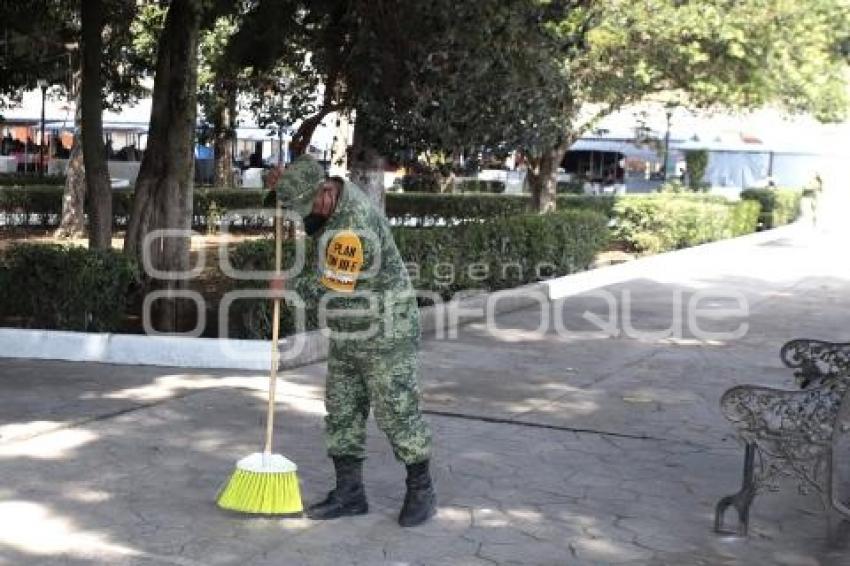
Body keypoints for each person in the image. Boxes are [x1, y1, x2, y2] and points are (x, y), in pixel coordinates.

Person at [269, 155, 436, 527]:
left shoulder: (354, 227)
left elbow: (330, 287)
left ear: (325, 193)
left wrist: (289, 287)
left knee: (396, 410)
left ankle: (421, 488)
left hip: (386, 329)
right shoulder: (332, 199)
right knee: (343, 408)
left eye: (305, 205)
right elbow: (311, 222)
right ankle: (350, 494)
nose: (302, 217)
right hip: (349, 327)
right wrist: (283, 187)